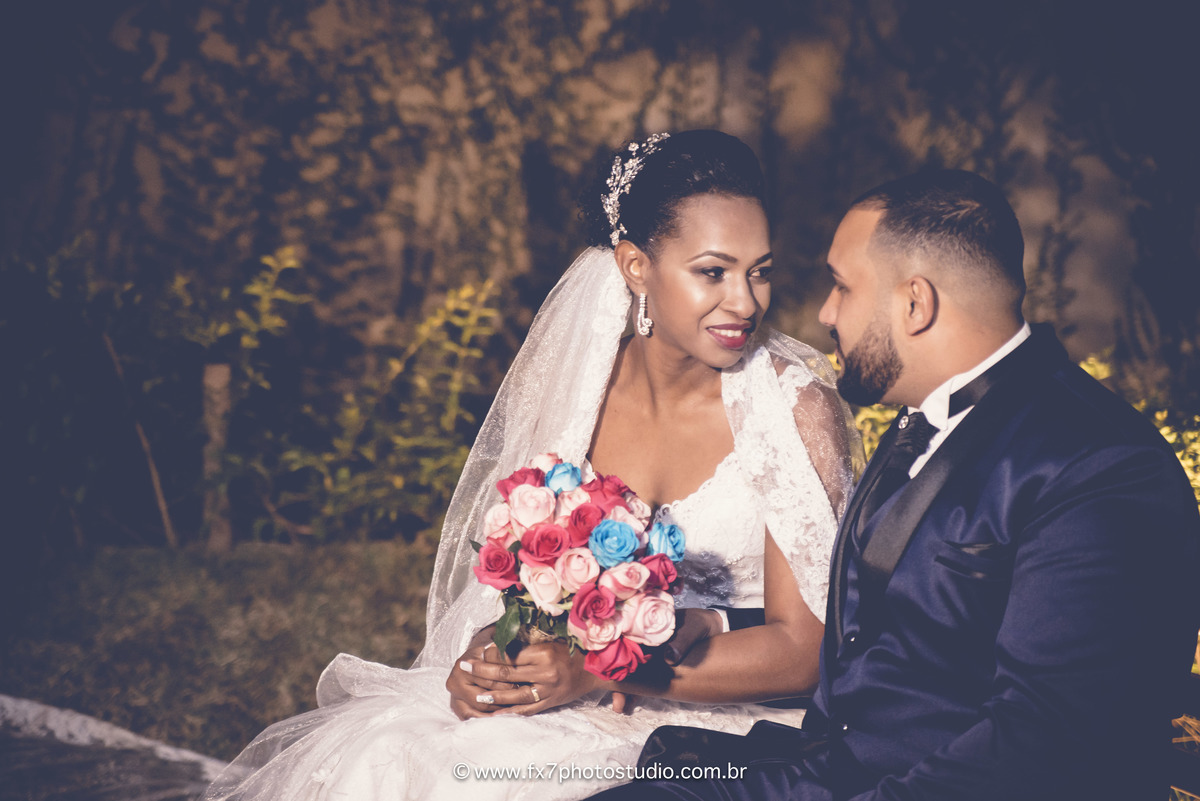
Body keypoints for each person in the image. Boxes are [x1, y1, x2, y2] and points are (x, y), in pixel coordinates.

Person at [202, 129, 862, 801]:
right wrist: (492, 656)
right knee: (395, 753)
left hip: (724, 725)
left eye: (761, 270)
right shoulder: (573, 386)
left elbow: (808, 650)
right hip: (570, 700)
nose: (746, 301)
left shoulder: (791, 406)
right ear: (635, 266)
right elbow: (517, 588)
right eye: (713, 272)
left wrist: (605, 671)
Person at [592, 169, 1200, 800]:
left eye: (842, 286)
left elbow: (1044, 741)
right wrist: (716, 623)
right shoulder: (923, 418)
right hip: (825, 769)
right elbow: (899, 619)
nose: (825, 313)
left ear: (915, 303)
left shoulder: (1099, 470)